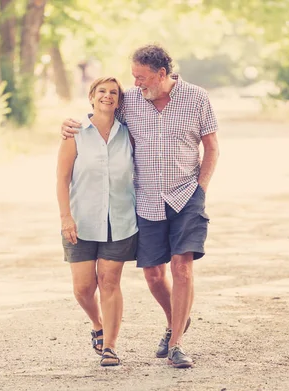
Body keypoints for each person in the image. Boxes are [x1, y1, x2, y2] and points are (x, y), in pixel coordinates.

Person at [61, 44, 219, 368]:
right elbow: (98, 114)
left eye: (142, 78)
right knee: (153, 275)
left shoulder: (197, 98)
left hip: (186, 194)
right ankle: (175, 319)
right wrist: (69, 126)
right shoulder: (130, 100)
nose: (136, 84)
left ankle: (176, 343)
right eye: (133, 77)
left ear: (162, 75)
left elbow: (212, 147)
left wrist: (201, 189)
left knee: (182, 267)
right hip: (146, 199)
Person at [56, 76, 137, 367]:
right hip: (81, 221)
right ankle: (98, 324)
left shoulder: (129, 133)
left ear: (119, 100)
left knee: (109, 281)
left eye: (114, 92)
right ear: (91, 96)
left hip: (121, 220)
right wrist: (66, 217)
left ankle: (110, 347)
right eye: (102, 91)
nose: (108, 96)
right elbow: (62, 179)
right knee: (82, 288)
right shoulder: (75, 132)